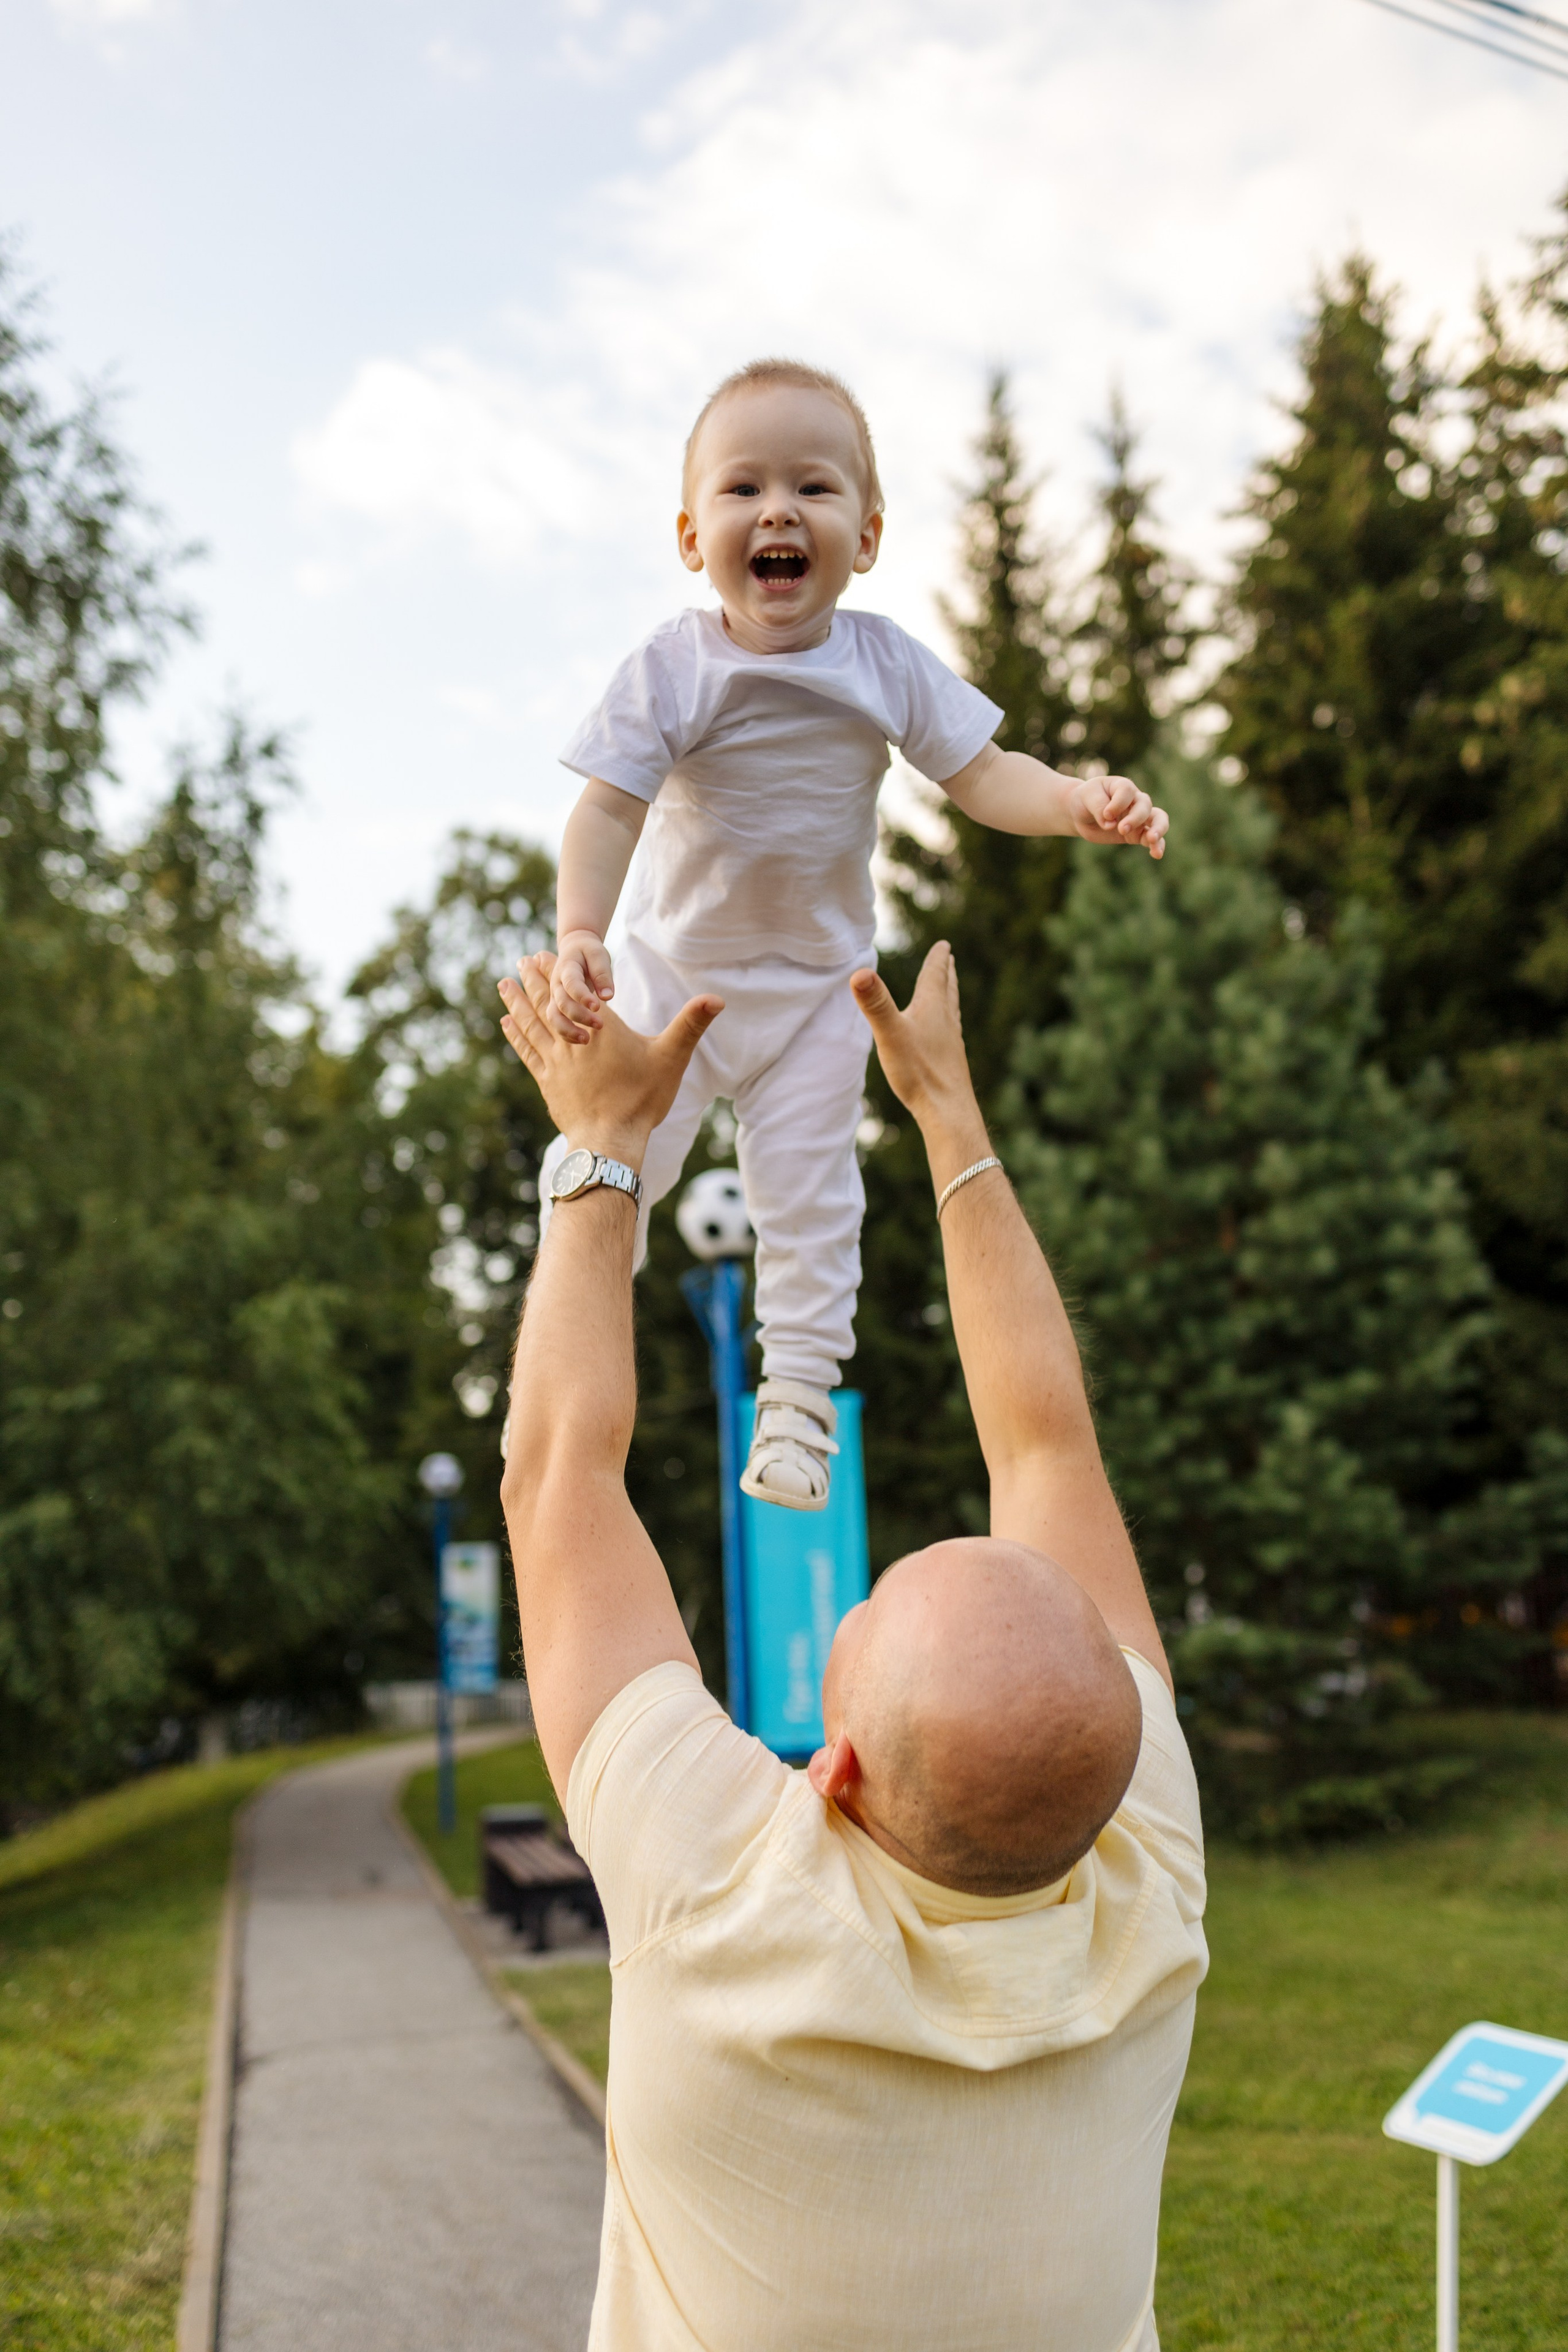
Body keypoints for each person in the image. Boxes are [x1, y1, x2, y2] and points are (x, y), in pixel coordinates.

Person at [497, 939, 1208, 2352]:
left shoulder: (716, 1894)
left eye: (866, 1614)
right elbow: (1048, 1444)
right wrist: (947, 1121)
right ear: (1125, 1747)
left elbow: (556, 1469)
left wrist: (599, 1140)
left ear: (834, 1774)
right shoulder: (1147, 1885)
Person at [537, 356, 1169, 1513]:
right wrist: (582, 931)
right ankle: (587, 1294)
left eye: (813, 489)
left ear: (866, 536)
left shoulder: (883, 663)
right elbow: (609, 806)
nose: (778, 510)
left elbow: (984, 776)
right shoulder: (674, 667)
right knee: (613, 1159)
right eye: (743, 490)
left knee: (814, 1205)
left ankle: (798, 1403)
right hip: (675, 980)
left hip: (823, 994)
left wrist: (1079, 800)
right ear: (691, 536)